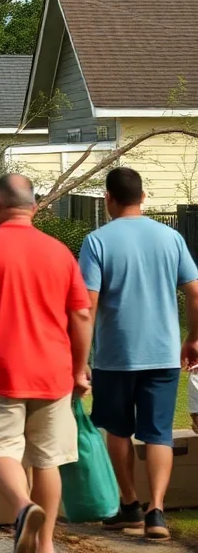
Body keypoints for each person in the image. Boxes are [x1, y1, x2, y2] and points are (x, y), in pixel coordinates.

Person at [0, 174, 92, 553]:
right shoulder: (60, 252)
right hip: (53, 375)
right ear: (35, 208)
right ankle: (45, 546)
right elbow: (81, 316)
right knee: (48, 461)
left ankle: (23, 508)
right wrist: (78, 369)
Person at [80, 167, 198, 542]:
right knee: (158, 433)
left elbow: (89, 304)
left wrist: (80, 356)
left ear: (108, 200)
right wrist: (193, 338)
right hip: (163, 353)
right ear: (143, 197)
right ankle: (156, 511)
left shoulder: (97, 241)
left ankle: (128, 503)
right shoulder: (171, 237)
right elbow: (195, 292)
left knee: (117, 429)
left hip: (115, 355)